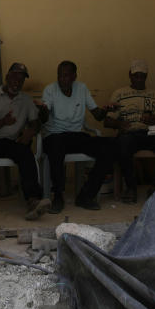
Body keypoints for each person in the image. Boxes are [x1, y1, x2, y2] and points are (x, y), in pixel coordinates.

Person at [0, 62, 49, 223]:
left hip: (12, 141)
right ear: (7, 77)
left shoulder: (26, 99)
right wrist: (3, 122)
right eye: (14, 78)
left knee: (26, 154)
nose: (17, 82)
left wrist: (30, 131)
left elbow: (35, 122)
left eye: (21, 80)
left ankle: (33, 201)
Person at [41, 60, 115, 213]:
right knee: (56, 146)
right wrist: (41, 109)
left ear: (74, 76)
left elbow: (98, 116)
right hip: (54, 135)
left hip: (75, 136)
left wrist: (106, 110)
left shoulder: (82, 88)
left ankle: (86, 195)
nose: (62, 79)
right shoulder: (50, 90)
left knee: (108, 147)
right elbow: (43, 117)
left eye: (66, 76)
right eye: (59, 76)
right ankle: (58, 196)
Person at [105, 59, 155, 203]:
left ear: (146, 76)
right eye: (136, 76)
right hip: (130, 134)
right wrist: (120, 124)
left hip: (151, 133)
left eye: (142, 76)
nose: (139, 79)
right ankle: (131, 188)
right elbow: (107, 121)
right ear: (130, 75)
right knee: (122, 143)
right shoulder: (119, 94)